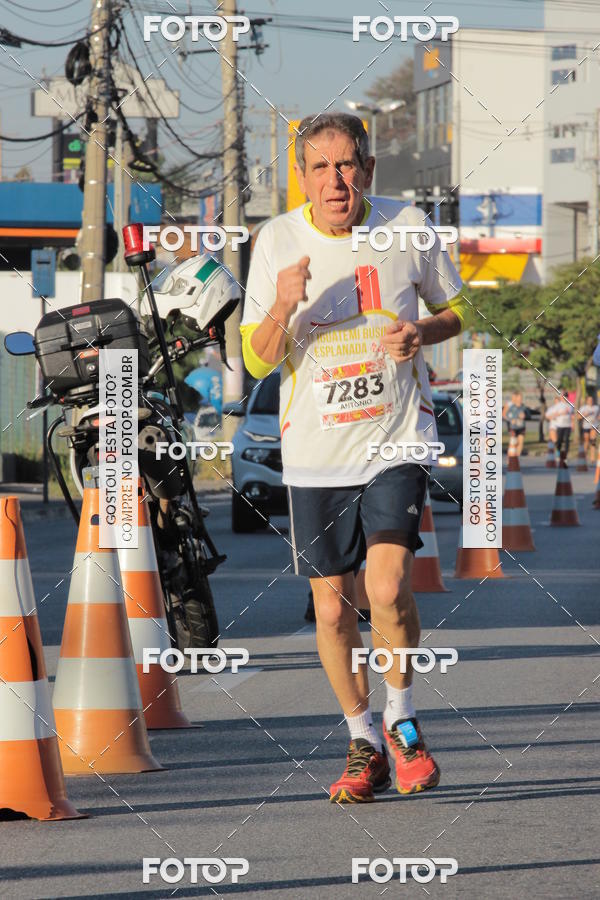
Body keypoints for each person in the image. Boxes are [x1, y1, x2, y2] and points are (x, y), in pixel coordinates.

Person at [240, 112, 469, 803]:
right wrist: (283, 302)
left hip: (395, 437)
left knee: (387, 585)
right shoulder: (277, 240)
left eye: (348, 165)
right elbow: (256, 357)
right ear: (302, 176)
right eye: (320, 167)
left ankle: (402, 720)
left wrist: (421, 331)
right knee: (334, 611)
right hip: (314, 453)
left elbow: (458, 308)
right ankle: (361, 737)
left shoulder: (407, 224)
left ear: (368, 170)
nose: (335, 180)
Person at [545, 392, 574, 457]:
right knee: (558, 441)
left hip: (567, 425)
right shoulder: (557, 406)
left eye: (566, 396)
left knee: (567, 439)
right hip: (559, 426)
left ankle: (565, 453)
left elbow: (572, 415)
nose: (564, 398)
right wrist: (560, 414)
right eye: (563, 397)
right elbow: (549, 416)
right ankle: (558, 452)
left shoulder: (570, 405)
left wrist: (572, 423)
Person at [503, 391, 526, 456]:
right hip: (512, 426)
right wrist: (510, 420)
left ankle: (517, 457)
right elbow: (504, 414)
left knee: (520, 442)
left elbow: (526, 414)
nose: (516, 398)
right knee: (513, 443)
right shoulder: (509, 404)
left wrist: (524, 416)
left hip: (521, 425)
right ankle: (510, 459)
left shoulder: (522, 405)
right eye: (515, 397)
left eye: (519, 397)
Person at [578, 395, 599, 460]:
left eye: (591, 400)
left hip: (594, 426)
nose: (590, 401)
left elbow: (598, 416)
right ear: (587, 401)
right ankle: (585, 455)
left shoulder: (596, 408)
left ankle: (592, 457)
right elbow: (579, 417)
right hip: (586, 426)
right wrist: (585, 414)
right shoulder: (583, 408)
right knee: (586, 441)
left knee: (593, 441)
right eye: (589, 400)